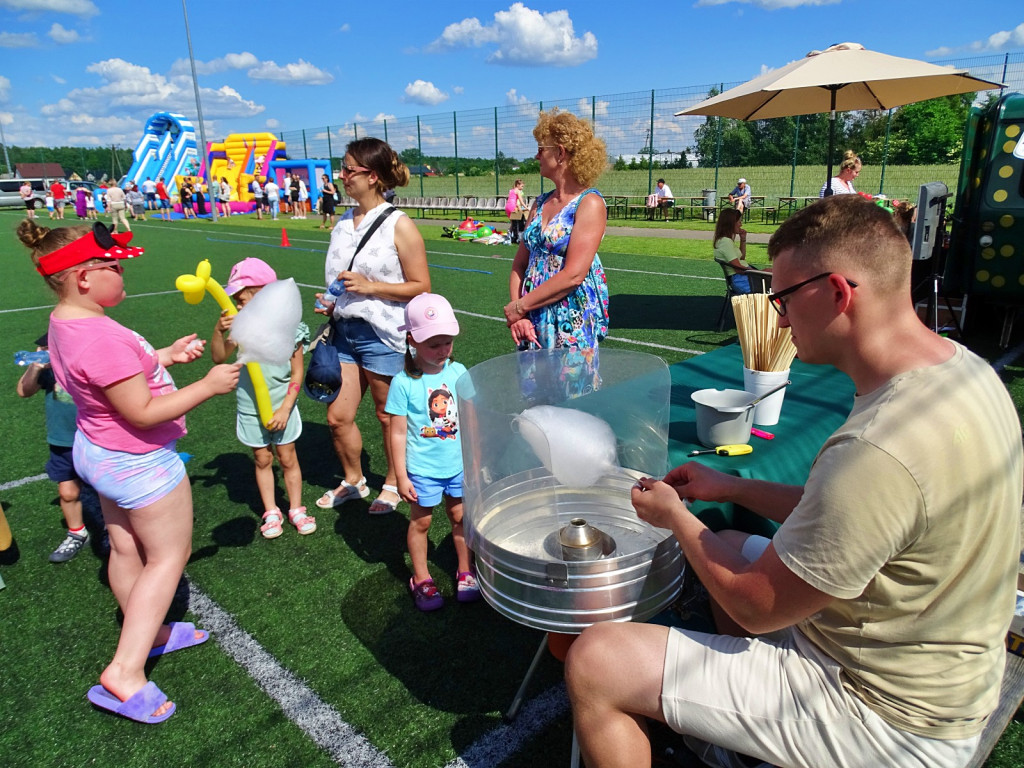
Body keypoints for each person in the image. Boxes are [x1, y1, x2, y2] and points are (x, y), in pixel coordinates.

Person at [565, 194, 1023, 768]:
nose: (778, 318)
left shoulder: (878, 447)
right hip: (938, 673)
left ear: (838, 293)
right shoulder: (966, 369)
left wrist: (677, 517)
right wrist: (729, 488)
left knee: (597, 659)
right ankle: (740, 745)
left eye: (782, 298)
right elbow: (854, 516)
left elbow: (756, 606)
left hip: (886, 719)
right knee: (730, 543)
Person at [19, 218, 240, 724]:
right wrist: (206, 385)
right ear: (82, 277)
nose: (122, 273)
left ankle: (155, 629)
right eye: (113, 265)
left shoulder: (66, 322)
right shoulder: (99, 337)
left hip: (99, 451)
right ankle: (124, 669)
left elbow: (103, 381)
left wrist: (164, 356)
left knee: (123, 546)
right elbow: (139, 411)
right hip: (137, 459)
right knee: (168, 556)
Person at [313, 137, 431, 516]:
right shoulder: (343, 223)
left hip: (383, 335)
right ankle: (354, 480)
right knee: (337, 417)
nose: (342, 176)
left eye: (349, 169)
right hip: (344, 332)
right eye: (343, 168)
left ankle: (395, 481)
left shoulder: (400, 224)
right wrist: (331, 300)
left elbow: (421, 287)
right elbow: (342, 278)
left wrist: (370, 287)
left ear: (373, 176)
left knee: (387, 415)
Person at [385, 292, 480, 610]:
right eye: (433, 344)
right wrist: (400, 476)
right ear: (412, 340)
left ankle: (465, 570)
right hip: (422, 469)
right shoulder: (403, 382)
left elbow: (471, 419)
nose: (442, 351)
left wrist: (476, 460)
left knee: (460, 517)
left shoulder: (458, 371)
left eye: (446, 342)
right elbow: (397, 432)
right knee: (421, 522)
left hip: (458, 466)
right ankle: (422, 577)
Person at [210, 257, 313, 539]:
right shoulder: (240, 329)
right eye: (236, 301)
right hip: (250, 406)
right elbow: (219, 357)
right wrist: (220, 331)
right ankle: (271, 510)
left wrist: (285, 409)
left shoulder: (289, 327)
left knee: (288, 457)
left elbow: (296, 373)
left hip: (283, 405)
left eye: (243, 300)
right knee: (262, 458)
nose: (238, 307)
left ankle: (295, 507)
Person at [505, 109, 610, 352]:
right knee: (533, 388)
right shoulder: (539, 204)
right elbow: (520, 264)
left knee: (573, 388)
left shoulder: (589, 203)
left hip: (570, 320)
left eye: (542, 149)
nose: (536, 156)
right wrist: (518, 314)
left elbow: (574, 275)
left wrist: (520, 307)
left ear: (560, 152)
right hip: (531, 319)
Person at [16, 332, 105, 562]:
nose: (44, 350)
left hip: (94, 439)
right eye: (42, 347)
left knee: (107, 490)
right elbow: (23, 391)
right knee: (67, 492)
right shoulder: (47, 372)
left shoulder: (86, 365)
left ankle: (117, 530)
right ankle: (77, 533)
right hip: (62, 441)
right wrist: (35, 366)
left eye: (49, 346)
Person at [713, 208, 757, 294]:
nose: (741, 225)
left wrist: (743, 239)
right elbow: (738, 269)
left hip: (743, 277)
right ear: (731, 224)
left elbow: (742, 258)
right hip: (741, 279)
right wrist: (759, 272)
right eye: (739, 222)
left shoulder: (725, 241)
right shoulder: (725, 242)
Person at [505, 178, 528, 244]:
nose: (522, 188)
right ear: (518, 185)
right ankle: (517, 237)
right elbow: (521, 201)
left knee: (512, 222)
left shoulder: (511, 190)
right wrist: (526, 207)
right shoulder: (518, 191)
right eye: (522, 186)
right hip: (512, 206)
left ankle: (509, 234)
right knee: (517, 222)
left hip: (507, 206)